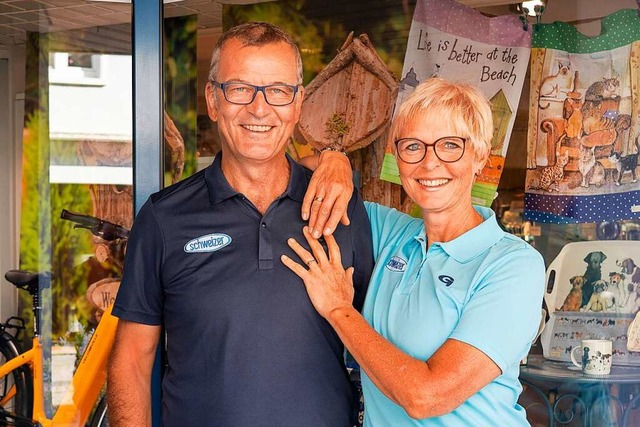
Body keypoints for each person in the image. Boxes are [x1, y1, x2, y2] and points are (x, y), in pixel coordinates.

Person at [107, 21, 373, 426]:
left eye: (278, 91)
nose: (260, 108)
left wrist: (335, 157)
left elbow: (381, 339)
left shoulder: (340, 207)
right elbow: (132, 358)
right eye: (240, 88)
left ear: (298, 103)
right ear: (213, 100)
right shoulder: (164, 218)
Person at [283, 77, 546, 426]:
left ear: (480, 155)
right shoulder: (389, 231)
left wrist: (337, 309)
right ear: (398, 156)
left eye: (450, 145)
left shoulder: (512, 265)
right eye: (412, 147)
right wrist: (337, 159)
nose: (429, 163)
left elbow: (427, 397)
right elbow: (302, 173)